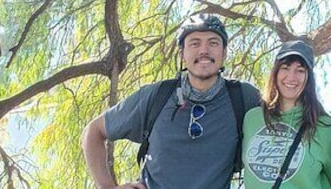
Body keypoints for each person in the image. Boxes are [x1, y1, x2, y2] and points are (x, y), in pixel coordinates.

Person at [81, 13, 260, 189]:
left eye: (213, 43)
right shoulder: (157, 95)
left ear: (224, 53)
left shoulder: (244, 97)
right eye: (195, 43)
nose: (204, 50)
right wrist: (106, 186)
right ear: (182, 53)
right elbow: (93, 132)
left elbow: (284, 121)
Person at [242, 39, 331, 188]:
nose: (291, 77)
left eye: (300, 70)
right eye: (285, 68)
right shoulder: (252, 118)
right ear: (275, 72)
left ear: (309, 78)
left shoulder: (325, 127)